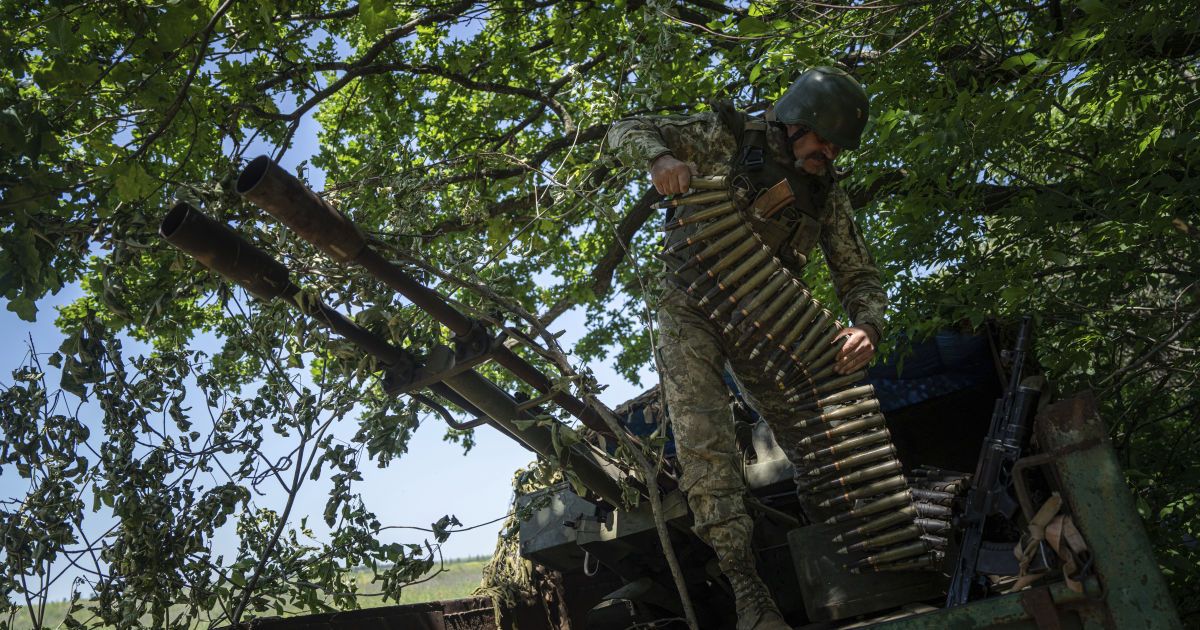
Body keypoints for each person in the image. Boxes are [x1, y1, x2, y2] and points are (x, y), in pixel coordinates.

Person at [606, 67, 888, 630]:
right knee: (705, 443)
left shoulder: (825, 192)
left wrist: (868, 327)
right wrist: (660, 160)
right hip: (691, 303)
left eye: (837, 147)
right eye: (824, 140)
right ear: (796, 121)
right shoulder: (727, 136)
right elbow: (624, 129)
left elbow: (859, 275)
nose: (830, 153)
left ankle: (852, 568)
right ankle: (748, 593)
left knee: (819, 441)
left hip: (767, 320)